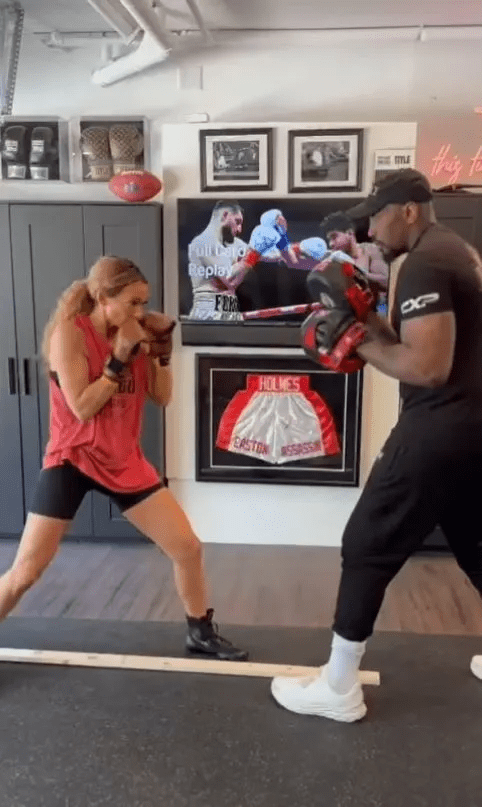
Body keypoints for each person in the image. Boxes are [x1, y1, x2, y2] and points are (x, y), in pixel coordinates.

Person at [271, 168, 482, 721]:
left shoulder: (425, 263)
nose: (369, 229)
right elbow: (427, 347)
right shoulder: (456, 251)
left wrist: (355, 339)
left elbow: (428, 368)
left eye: (378, 216)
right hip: (471, 430)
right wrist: (366, 319)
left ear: (409, 209)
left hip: (438, 428)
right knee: (476, 544)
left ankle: (338, 686)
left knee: (366, 543)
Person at [0, 255, 248, 662]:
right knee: (26, 572)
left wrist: (161, 353)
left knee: (187, 548)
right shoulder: (70, 334)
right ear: (102, 298)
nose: (140, 312)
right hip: (73, 459)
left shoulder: (134, 333)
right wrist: (118, 357)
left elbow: (162, 396)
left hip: (122, 459)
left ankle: (200, 633)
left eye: (144, 303)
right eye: (132, 302)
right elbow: (82, 407)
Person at [187, 201, 247, 321]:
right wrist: (248, 260)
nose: (239, 229)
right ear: (225, 215)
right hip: (208, 313)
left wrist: (291, 249)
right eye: (237, 221)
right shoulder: (202, 243)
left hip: (229, 309)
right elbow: (228, 279)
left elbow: (265, 253)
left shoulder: (235, 244)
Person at [320, 210, 390, 314]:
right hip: (350, 314)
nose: (331, 244)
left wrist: (356, 271)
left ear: (349, 233)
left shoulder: (369, 250)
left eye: (334, 237)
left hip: (376, 310)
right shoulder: (333, 261)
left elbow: (386, 282)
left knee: (383, 306)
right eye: (329, 240)